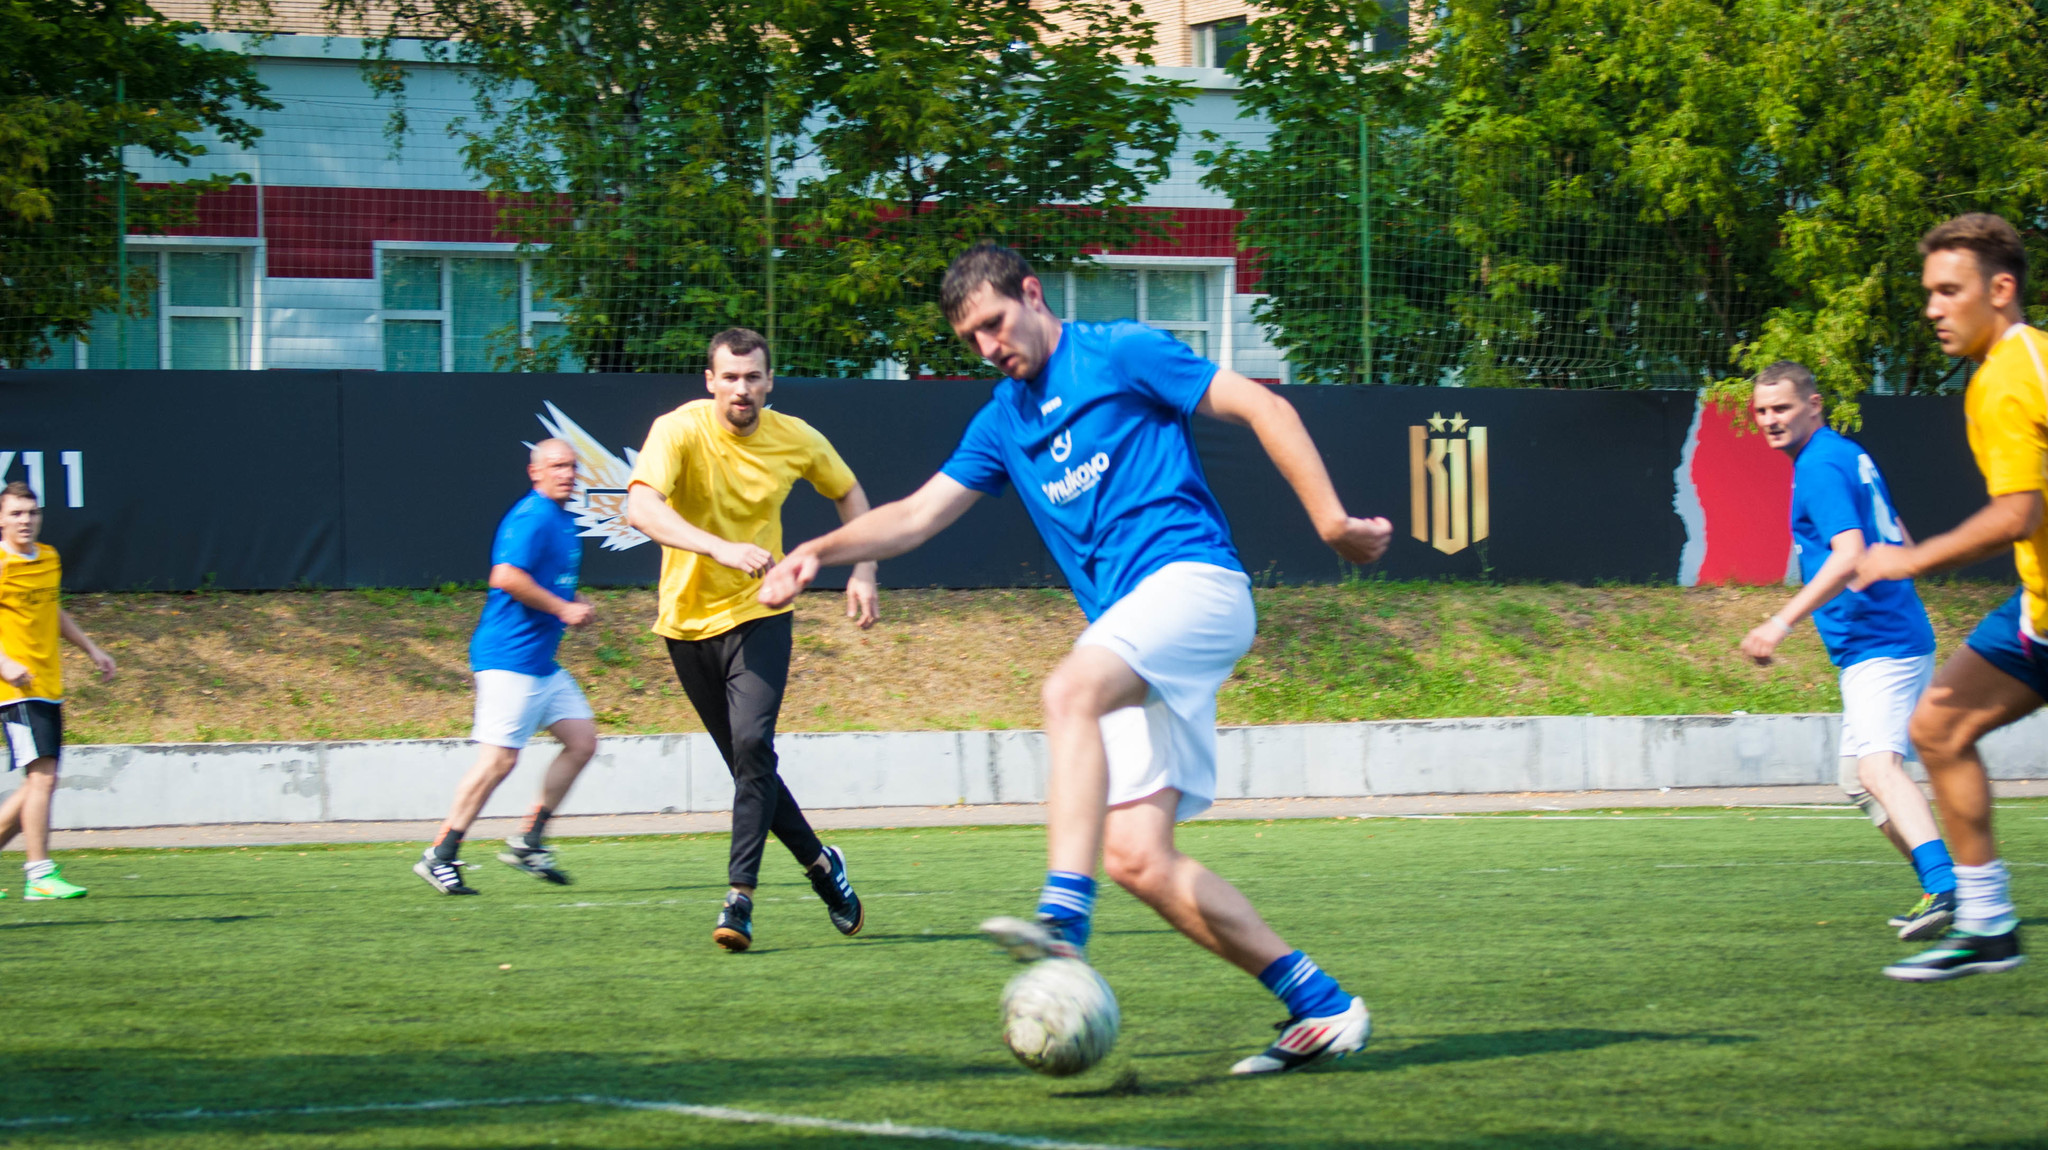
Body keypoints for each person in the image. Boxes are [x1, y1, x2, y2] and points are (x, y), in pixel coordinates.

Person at [759, 243, 1392, 1074]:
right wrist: (817, 551)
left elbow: (1263, 407)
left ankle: (1061, 919)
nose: (989, 346)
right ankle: (1322, 1005)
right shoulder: (1002, 420)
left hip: (1196, 585)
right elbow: (914, 516)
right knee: (1137, 858)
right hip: (1134, 629)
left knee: (1069, 691)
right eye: (971, 339)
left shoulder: (1121, 351)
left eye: (995, 323)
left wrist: (1333, 522)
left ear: (1033, 294)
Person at [623, 327, 877, 953]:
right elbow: (641, 508)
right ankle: (822, 866)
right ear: (710, 381)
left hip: (761, 612)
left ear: (769, 382)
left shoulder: (796, 437)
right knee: (750, 764)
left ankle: (740, 900)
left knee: (752, 744)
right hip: (686, 624)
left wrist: (864, 567)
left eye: (753, 377)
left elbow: (849, 492)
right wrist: (719, 547)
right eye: (730, 377)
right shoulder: (678, 430)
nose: (741, 389)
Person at [1850, 212, 2038, 981]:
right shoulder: (2008, 367)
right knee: (1937, 727)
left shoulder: (2013, 375)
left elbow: (2018, 514)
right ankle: (1987, 926)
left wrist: (1911, 558)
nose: (1932, 308)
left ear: (2001, 289)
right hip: (2038, 611)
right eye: (1929, 292)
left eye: (1949, 291)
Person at [1740, 362, 1956, 940]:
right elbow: (1899, 535)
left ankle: (1947, 889)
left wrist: (1779, 623)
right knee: (1856, 779)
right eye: (1762, 411)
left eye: (1782, 408)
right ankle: (1942, 884)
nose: (1770, 420)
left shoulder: (1818, 465)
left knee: (1877, 768)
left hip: (1880, 641)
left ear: (1814, 405)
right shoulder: (1845, 453)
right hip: (1884, 635)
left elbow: (1849, 552)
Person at [415, 438, 599, 895]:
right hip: (509, 660)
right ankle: (439, 853)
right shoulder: (531, 516)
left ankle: (528, 841)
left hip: (540, 663)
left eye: (572, 466)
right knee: (498, 760)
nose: (567, 474)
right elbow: (506, 576)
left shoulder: (563, 519)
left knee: (582, 741)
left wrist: (573, 600)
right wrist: (563, 608)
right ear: (535, 472)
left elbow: (545, 580)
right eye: (556, 466)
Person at [0, 480, 116, 899]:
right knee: (43, 779)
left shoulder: (48, 557)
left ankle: (39, 874)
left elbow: (52, 610)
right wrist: (4, 663)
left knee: (38, 785)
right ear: (0, 520)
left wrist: (91, 648)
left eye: (31, 512)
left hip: (48, 685)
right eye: (15, 513)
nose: (25, 520)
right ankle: (39, 875)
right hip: (14, 690)